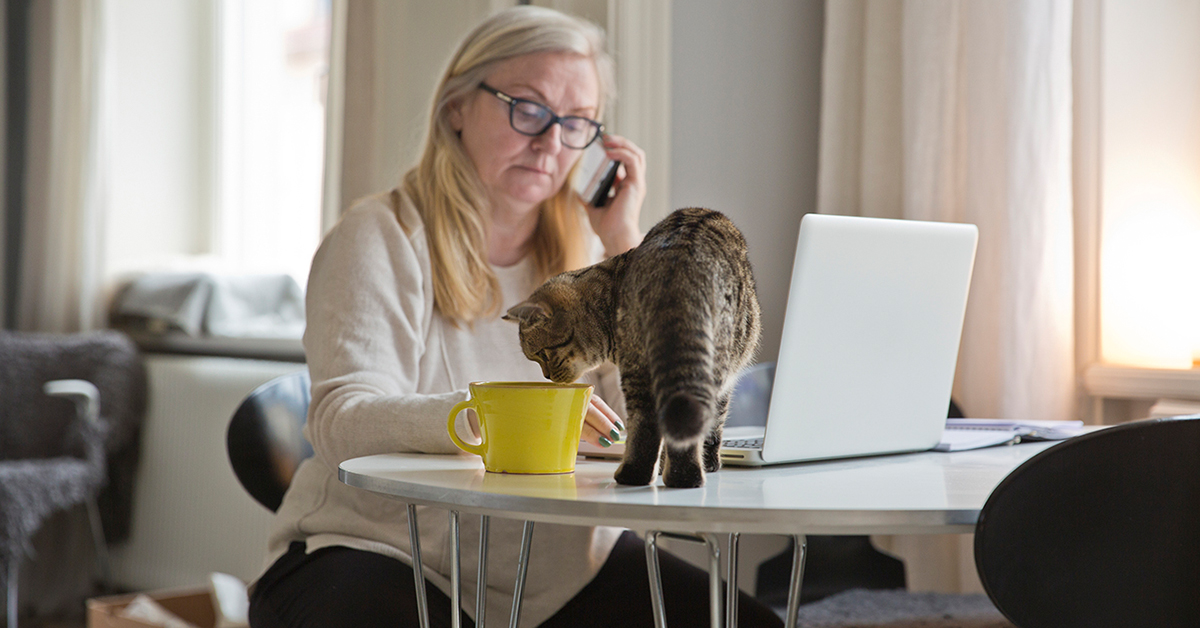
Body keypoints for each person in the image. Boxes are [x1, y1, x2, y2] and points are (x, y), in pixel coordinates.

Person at [247, 7, 783, 628]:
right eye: (528, 108)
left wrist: (627, 246)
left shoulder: (589, 257)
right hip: (379, 550)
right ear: (456, 108)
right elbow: (341, 420)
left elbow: (642, 426)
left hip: (558, 567)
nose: (552, 142)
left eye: (577, 121)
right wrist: (496, 417)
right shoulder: (378, 237)